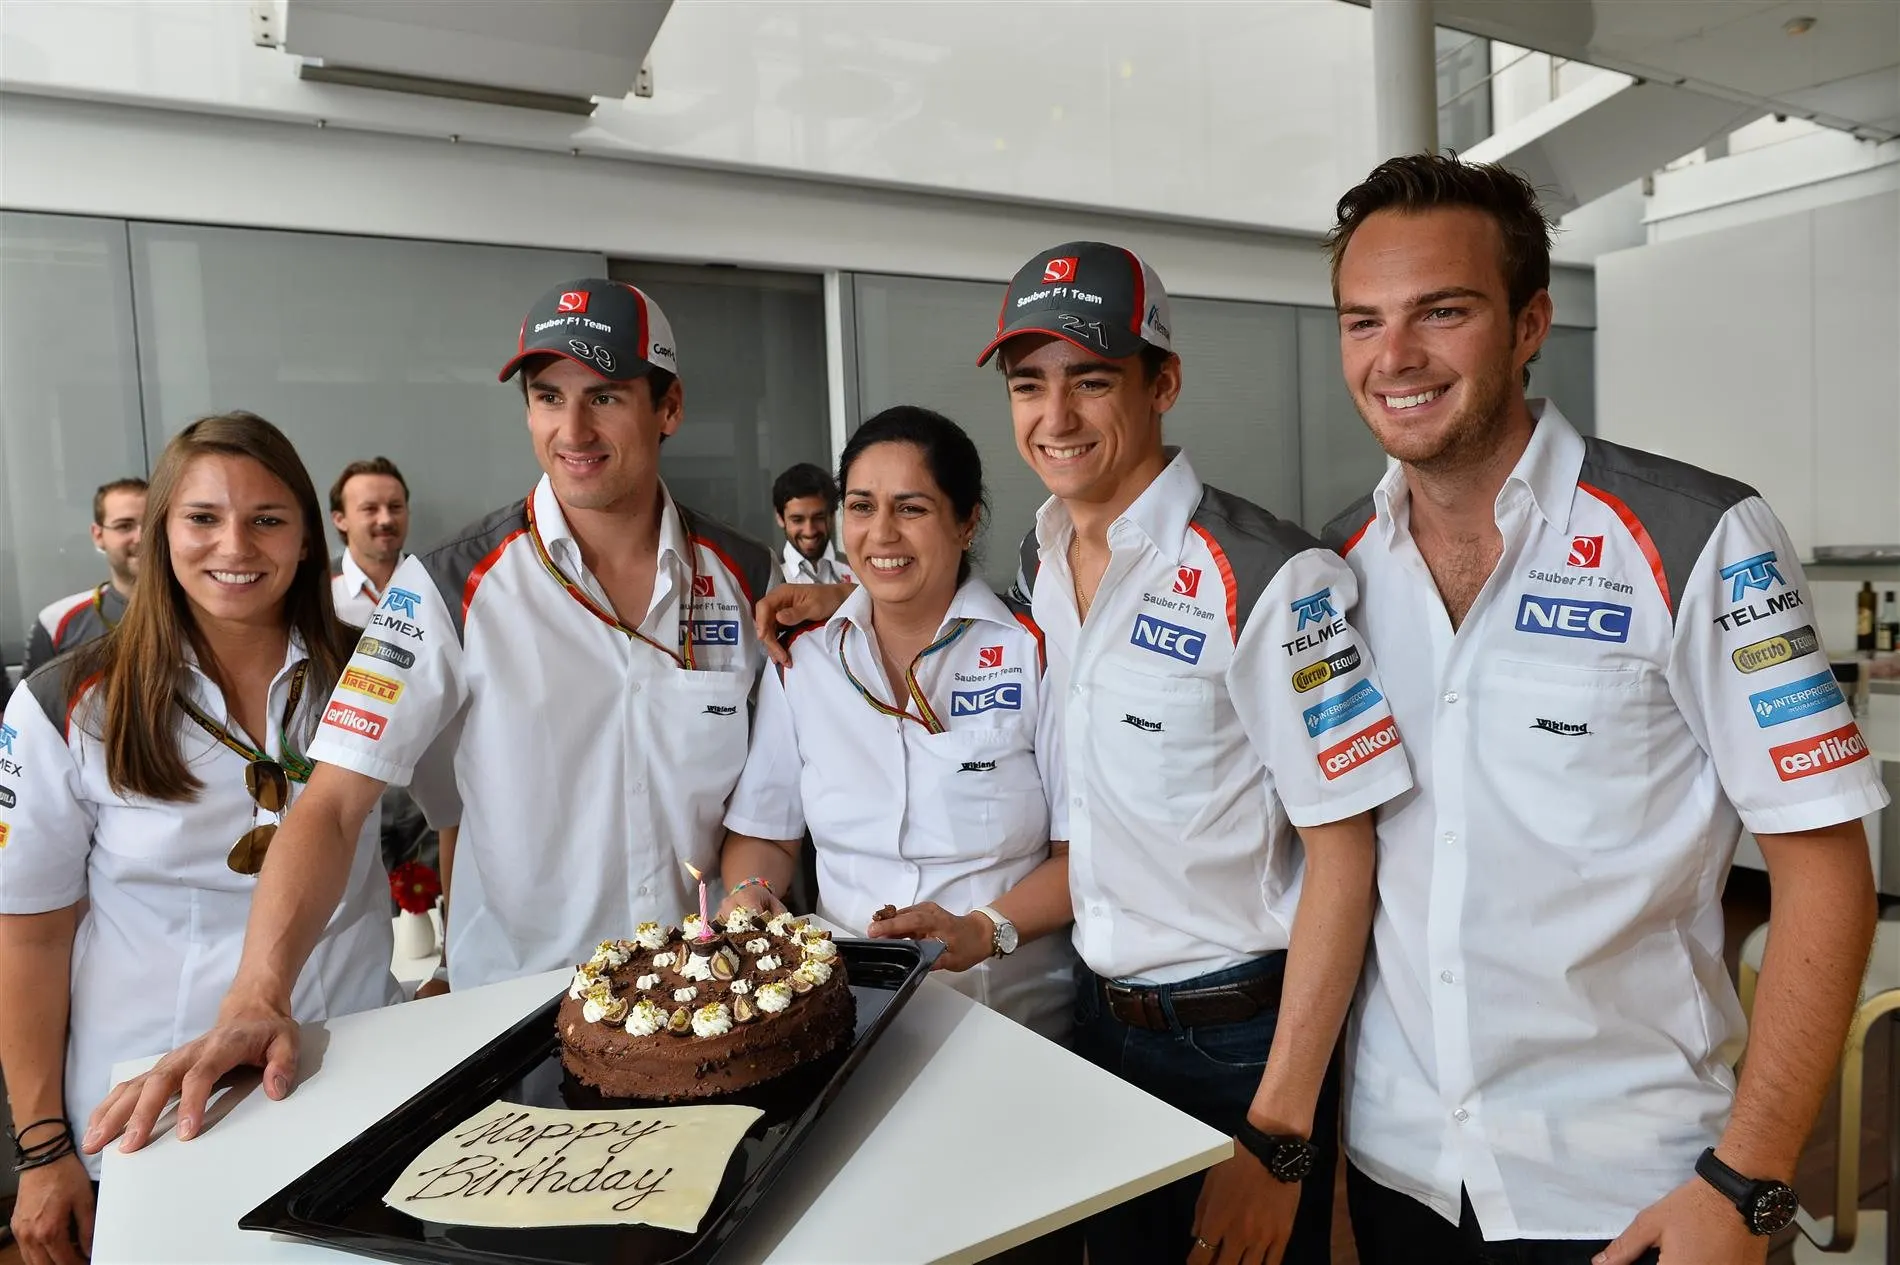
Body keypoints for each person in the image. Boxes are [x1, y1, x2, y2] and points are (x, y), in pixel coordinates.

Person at [761, 242, 1414, 1265]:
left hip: (1234, 1037)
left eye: (1091, 379)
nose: (1055, 416)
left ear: (1164, 382)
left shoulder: (1272, 576)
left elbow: (1346, 852)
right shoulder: (1042, 560)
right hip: (1093, 1026)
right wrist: (857, 598)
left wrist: (1279, 1134)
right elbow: (961, 631)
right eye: (1030, 384)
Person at [1317, 154, 1888, 1265]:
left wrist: (1750, 1183)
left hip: (1632, 1185)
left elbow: (1826, 873)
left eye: (1442, 311)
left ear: (1529, 322)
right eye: (1361, 321)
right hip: (1402, 1167)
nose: (1394, 357)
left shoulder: (1697, 537)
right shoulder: (1332, 569)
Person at [83, 279, 774, 1156]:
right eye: (547, 398)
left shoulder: (744, 577)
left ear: (667, 406)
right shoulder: (446, 585)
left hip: (708, 1020)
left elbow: (766, 807)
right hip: (529, 1034)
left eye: (604, 396)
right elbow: (333, 802)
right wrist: (258, 993)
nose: (574, 431)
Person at [0, 413, 398, 1262]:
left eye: (266, 518)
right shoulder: (69, 701)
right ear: (159, 533)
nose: (236, 545)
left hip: (359, 1081)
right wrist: (40, 1147)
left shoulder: (374, 675)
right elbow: (30, 937)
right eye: (203, 518)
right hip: (155, 1114)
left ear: (303, 535)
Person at [721, 407, 1074, 1041]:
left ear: (966, 522)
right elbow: (767, 838)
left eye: (911, 509)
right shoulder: (802, 660)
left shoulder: (1034, 653)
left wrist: (981, 930)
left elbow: (1082, 857)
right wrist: (749, 892)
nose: (881, 534)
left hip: (1013, 1018)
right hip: (844, 1015)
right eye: (860, 507)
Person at [20, 478, 148, 678]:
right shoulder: (56, 623)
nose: (142, 537)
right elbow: (33, 707)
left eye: (152, 524)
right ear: (98, 535)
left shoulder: (204, 614)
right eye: (124, 526)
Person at [328, 456, 411, 627]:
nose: (386, 520)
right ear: (340, 520)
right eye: (370, 509)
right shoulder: (317, 591)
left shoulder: (435, 582)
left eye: (395, 507)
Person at [772, 461, 854, 584]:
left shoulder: (858, 570)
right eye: (797, 520)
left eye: (818, 518)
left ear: (832, 515)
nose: (809, 531)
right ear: (780, 518)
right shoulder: (768, 576)